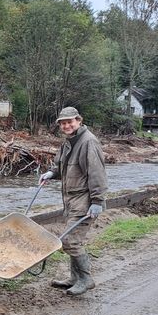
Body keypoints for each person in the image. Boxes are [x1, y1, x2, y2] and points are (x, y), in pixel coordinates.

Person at [39, 107, 108, 296]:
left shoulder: (88, 142)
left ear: (79, 120)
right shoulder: (68, 142)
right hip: (71, 200)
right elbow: (60, 167)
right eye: (63, 123)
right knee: (73, 239)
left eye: (70, 121)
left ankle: (86, 279)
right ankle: (74, 278)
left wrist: (97, 201)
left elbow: (97, 174)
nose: (66, 125)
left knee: (70, 240)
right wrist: (51, 173)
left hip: (85, 200)